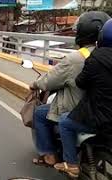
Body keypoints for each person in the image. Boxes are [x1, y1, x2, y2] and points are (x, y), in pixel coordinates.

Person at [30, 11, 110, 167]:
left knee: (39, 113)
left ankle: (51, 155)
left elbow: (50, 81)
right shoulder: (105, 55)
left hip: (84, 110)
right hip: (105, 108)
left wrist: (35, 84)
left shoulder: (76, 58)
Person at [54, 18, 112, 178]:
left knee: (65, 122)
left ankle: (71, 164)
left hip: (101, 118)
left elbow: (80, 82)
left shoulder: (96, 57)